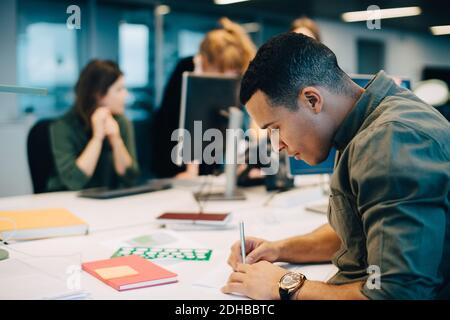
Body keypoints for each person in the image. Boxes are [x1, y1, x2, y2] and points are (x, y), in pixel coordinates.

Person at [223, 32, 450, 300]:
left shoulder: (388, 141)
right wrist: (279, 249)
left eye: (276, 129)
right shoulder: (370, 118)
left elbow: (395, 294)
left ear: (312, 100)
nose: (277, 146)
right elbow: (367, 229)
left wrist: (283, 285)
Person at [151, 17, 256, 178]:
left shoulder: (230, 81)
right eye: (223, 70)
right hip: (174, 156)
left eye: (234, 72)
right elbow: (189, 119)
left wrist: (242, 160)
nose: (228, 77)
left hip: (209, 160)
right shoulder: (186, 71)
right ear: (205, 60)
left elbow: (231, 120)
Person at [47, 60, 139, 191]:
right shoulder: (62, 126)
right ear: (98, 94)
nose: (126, 95)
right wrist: (97, 138)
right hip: (66, 202)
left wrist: (116, 140)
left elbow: (131, 178)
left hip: (107, 202)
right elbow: (74, 181)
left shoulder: (121, 122)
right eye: (119, 89)